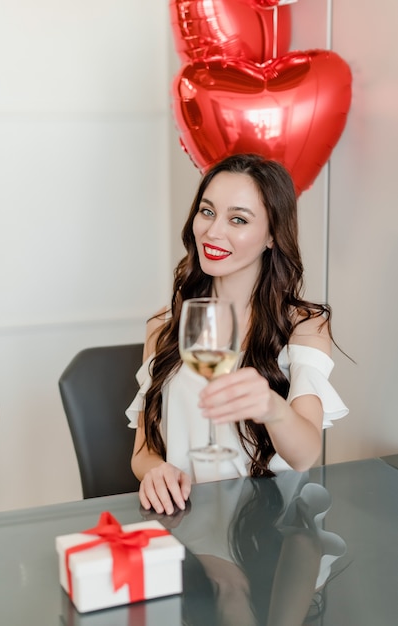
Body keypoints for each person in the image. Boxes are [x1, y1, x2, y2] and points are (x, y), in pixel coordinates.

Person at [126, 153, 348, 515]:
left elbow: (306, 453)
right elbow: (143, 450)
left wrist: (271, 408)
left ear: (273, 235)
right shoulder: (165, 324)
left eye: (238, 219)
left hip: (269, 527)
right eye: (207, 212)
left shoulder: (303, 325)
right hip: (185, 518)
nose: (213, 231)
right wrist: (156, 472)